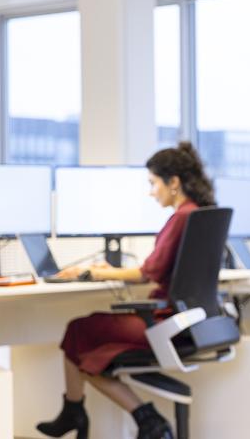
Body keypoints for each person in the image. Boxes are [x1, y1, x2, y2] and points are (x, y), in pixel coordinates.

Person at [36, 142, 216, 439]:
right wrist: (108, 271)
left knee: (78, 333)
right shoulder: (198, 213)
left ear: (173, 182)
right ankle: (121, 417)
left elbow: (148, 274)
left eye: (153, 183)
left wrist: (91, 272)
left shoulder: (180, 218)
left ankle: (96, 413)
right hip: (184, 321)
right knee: (86, 347)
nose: (150, 191)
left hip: (161, 322)